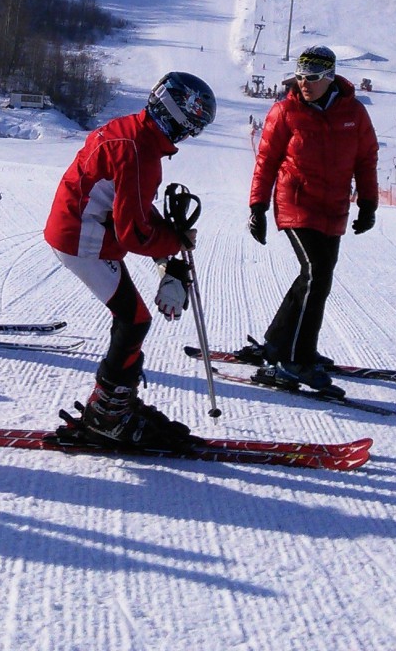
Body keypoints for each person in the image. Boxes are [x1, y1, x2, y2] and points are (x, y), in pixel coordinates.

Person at [45, 71, 215, 448]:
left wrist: (170, 253)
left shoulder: (135, 134)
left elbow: (133, 207)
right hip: (81, 236)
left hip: (79, 226)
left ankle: (113, 406)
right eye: (193, 126)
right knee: (133, 320)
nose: (189, 136)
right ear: (178, 116)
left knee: (131, 318)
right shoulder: (140, 152)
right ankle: (108, 416)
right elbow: (133, 233)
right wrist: (173, 244)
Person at [244, 46, 379, 395]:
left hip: (333, 207)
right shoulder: (285, 111)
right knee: (316, 272)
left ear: (330, 77)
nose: (305, 83)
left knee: (317, 278)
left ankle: (279, 342)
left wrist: (368, 203)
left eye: (313, 77)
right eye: (301, 76)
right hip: (296, 202)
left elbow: (366, 159)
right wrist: (257, 206)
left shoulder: (354, 113)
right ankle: (293, 361)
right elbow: (266, 160)